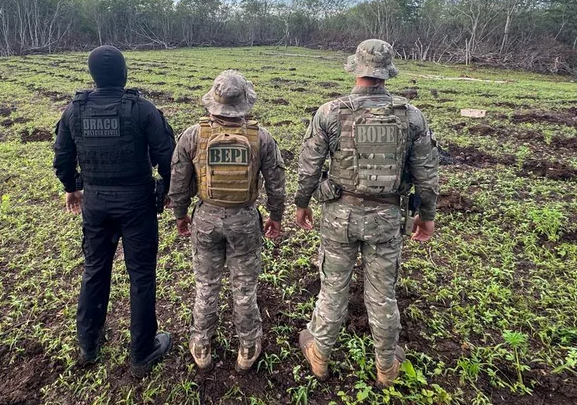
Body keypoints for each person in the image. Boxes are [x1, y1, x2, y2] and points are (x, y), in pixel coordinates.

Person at [294, 39, 439, 388]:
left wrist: (301, 204)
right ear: (387, 73)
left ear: (356, 69)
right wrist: (427, 214)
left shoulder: (330, 112)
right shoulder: (411, 115)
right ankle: (386, 364)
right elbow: (426, 173)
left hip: (339, 217)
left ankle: (320, 353)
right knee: (382, 292)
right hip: (387, 218)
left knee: (333, 286)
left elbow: (309, 166)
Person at [53, 45, 176, 379]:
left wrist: (71, 187)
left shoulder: (74, 111)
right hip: (136, 203)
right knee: (141, 274)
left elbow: (62, 156)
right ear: (124, 74)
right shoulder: (143, 109)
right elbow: (169, 157)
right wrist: (167, 191)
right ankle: (142, 352)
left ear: (93, 76)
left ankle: (88, 344)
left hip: (95, 202)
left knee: (95, 268)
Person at [169, 70, 286, 373]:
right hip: (245, 220)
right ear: (246, 102)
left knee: (206, 285)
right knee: (244, 287)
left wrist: (181, 215)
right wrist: (275, 217)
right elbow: (276, 183)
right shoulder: (261, 137)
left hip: (206, 217)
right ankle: (247, 347)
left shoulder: (193, 135)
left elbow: (179, 182)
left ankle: (201, 344)